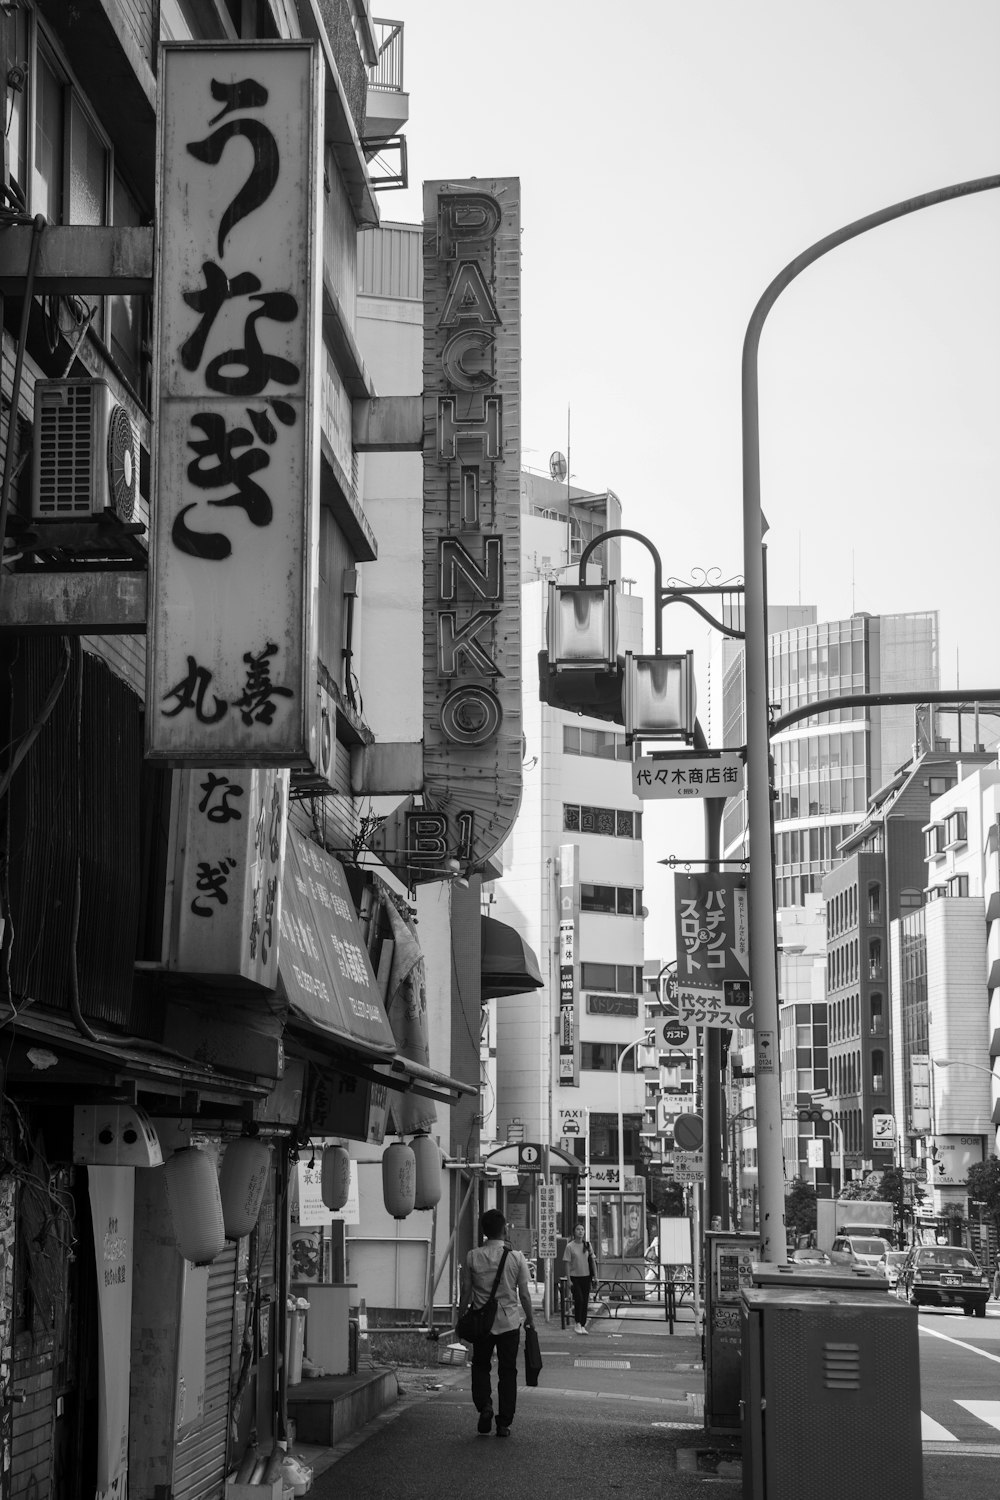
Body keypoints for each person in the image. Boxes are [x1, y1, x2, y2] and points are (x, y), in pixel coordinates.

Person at [459, 1208, 534, 1437]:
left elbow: (466, 1291)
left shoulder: (473, 1256)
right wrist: (530, 1319)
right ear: (504, 1229)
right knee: (507, 1371)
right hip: (509, 1323)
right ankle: (504, 1423)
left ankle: (485, 1406)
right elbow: (524, 1295)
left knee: (481, 1366)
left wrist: (461, 1317)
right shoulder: (516, 1257)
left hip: (482, 1323)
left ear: (483, 1231)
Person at [563, 1223, 596, 1334]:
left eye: (582, 1229)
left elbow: (592, 1261)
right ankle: (577, 1323)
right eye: (578, 1229)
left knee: (585, 1301)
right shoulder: (569, 1246)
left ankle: (582, 1325)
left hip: (586, 1277)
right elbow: (567, 1264)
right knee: (579, 1299)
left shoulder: (587, 1245)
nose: (580, 1231)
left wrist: (595, 1276)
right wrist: (568, 1279)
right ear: (574, 1232)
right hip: (574, 1277)